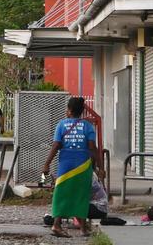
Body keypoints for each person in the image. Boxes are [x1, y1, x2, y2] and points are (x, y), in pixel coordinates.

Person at [41, 96, 104, 237]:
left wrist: (46, 164)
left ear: (69, 110)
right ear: (81, 111)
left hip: (66, 164)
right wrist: (100, 167)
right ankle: (82, 229)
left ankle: (56, 225)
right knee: (81, 195)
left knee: (61, 193)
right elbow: (93, 148)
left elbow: (56, 145)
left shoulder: (61, 124)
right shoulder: (88, 126)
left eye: (67, 108)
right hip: (83, 164)